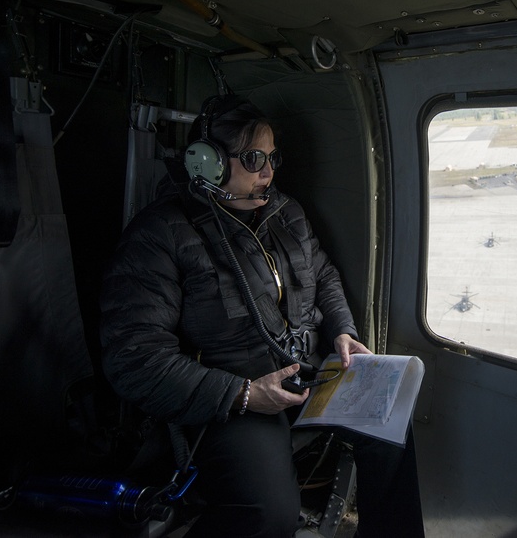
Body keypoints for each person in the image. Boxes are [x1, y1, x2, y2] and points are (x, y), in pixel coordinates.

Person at [100, 95, 424, 537]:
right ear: (206, 163)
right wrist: (244, 394)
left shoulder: (285, 212)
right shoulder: (159, 236)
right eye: (254, 159)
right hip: (231, 398)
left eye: (272, 158)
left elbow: (323, 274)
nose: (268, 172)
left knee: (393, 426)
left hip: (306, 376)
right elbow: (133, 359)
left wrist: (342, 330)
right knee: (269, 515)